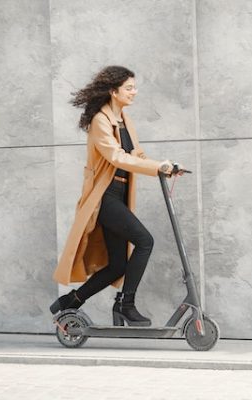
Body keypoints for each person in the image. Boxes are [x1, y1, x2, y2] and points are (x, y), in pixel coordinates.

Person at [50, 65, 184, 327]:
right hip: (104, 197)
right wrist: (157, 167)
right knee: (144, 241)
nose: (135, 92)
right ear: (114, 91)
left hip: (119, 195)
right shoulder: (100, 121)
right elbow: (116, 156)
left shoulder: (123, 119)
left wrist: (166, 167)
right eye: (129, 88)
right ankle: (126, 304)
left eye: (134, 87)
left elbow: (136, 155)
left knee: (117, 265)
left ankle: (69, 303)